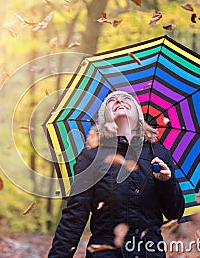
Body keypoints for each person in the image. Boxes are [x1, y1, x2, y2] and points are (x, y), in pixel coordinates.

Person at [48, 91, 185, 258]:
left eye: (126, 99)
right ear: (104, 117)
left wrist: (167, 182)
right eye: (111, 100)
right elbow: (75, 215)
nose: (119, 100)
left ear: (138, 114)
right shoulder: (91, 156)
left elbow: (174, 214)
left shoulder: (158, 154)